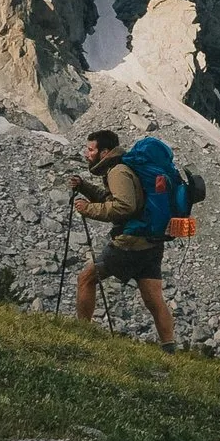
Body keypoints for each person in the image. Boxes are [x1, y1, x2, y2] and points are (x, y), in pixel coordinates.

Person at [70, 129, 177, 351]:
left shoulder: (117, 171)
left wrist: (88, 209)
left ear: (105, 151)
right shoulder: (124, 167)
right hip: (151, 242)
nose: (87, 153)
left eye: (91, 149)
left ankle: (82, 332)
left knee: (86, 278)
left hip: (130, 243)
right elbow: (115, 198)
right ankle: (169, 348)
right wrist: (84, 187)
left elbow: (124, 206)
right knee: (153, 298)